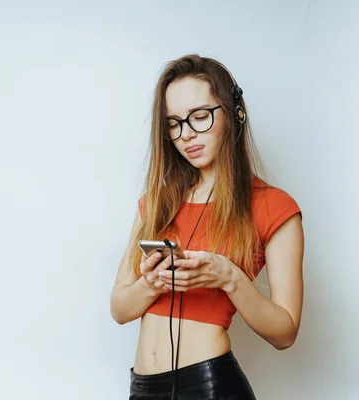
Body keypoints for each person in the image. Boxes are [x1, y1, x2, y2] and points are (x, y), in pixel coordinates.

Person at [110, 54, 305, 400]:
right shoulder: (157, 201)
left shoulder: (273, 206)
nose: (187, 135)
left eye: (200, 117)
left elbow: (285, 333)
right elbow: (120, 309)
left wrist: (229, 277)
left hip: (210, 387)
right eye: (174, 123)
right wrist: (153, 282)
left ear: (234, 114)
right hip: (142, 389)